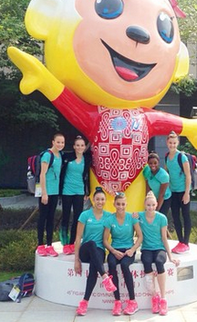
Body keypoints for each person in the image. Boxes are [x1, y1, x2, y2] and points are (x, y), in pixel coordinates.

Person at [74, 186, 116, 316]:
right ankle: (105, 277)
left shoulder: (109, 216)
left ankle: (84, 302)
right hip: (85, 250)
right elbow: (78, 237)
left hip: (99, 252)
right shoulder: (85, 215)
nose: (100, 202)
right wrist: (76, 260)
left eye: (102, 199)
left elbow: (122, 217)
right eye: (97, 199)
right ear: (93, 200)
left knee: (94, 268)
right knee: (92, 244)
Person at [138, 191, 179, 316]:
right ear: (145, 205)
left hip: (159, 247)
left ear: (156, 205)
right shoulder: (140, 216)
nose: (150, 207)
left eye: (153, 205)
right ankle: (154, 296)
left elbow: (164, 238)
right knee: (146, 262)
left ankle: (163, 298)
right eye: (148, 205)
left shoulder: (162, 218)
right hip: (146, 248)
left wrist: (171, 256)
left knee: (160, 262)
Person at [103, 192, 143, 316]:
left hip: (128, 249)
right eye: (118, 204)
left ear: (126, 204)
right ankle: (117, 301)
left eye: (123, 204)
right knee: (111, 264)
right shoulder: (110, 219)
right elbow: (104, 240)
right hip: (115, 249)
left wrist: (132, 249)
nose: (120, 206)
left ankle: (132, 301)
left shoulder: (132, 217)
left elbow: (140, 237)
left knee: (125, 266)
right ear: (114, 204)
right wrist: (113, 251)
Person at [59, 135, 92, 255]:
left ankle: (73, 242)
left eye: (82, 145)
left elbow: (88, 175)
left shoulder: (87, 159)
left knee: (78, 218)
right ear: (74, 146)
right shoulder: (67, 157)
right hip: (67, 191)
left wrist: (87, 191)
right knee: (66, 217)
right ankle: (65, 243)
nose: (80, 147)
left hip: (79, 191)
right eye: (77, 145)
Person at [36, 132, 65, 257]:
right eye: (58, 142)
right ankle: (40, 245)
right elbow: (42, 174)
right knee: (43, 218)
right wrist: (44, 193)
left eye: (62, 142)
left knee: (51, 219)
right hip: (46, 192)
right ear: (53, 142)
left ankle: (49, 245)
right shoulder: (48, 155)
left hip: (54, 192)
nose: (60, 144)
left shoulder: (60, 155)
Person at [165, 131, 192, 254]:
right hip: (173, 192)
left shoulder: (182, 157)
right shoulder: (166, 157)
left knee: (186, 216)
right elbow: (166, 174)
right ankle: (180, 241)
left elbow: (188, 176)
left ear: (178, 143)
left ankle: (186, 243)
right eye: (170, 143)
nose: (172, 145)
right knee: (175, 217)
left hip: (183, 191)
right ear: (167, 143)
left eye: (174, 143)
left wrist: (187, 193)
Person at [142, 151, 172, 217]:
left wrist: (156, 209)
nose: (153, 165)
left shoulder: (164, 175)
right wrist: (147, 201)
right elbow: (147, 187)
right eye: (150, 163)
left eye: (155, 163)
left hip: (164, 199)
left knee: (159, 217)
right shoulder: (147, 171)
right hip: (154, 197)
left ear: (158, 162)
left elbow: (162, 194)